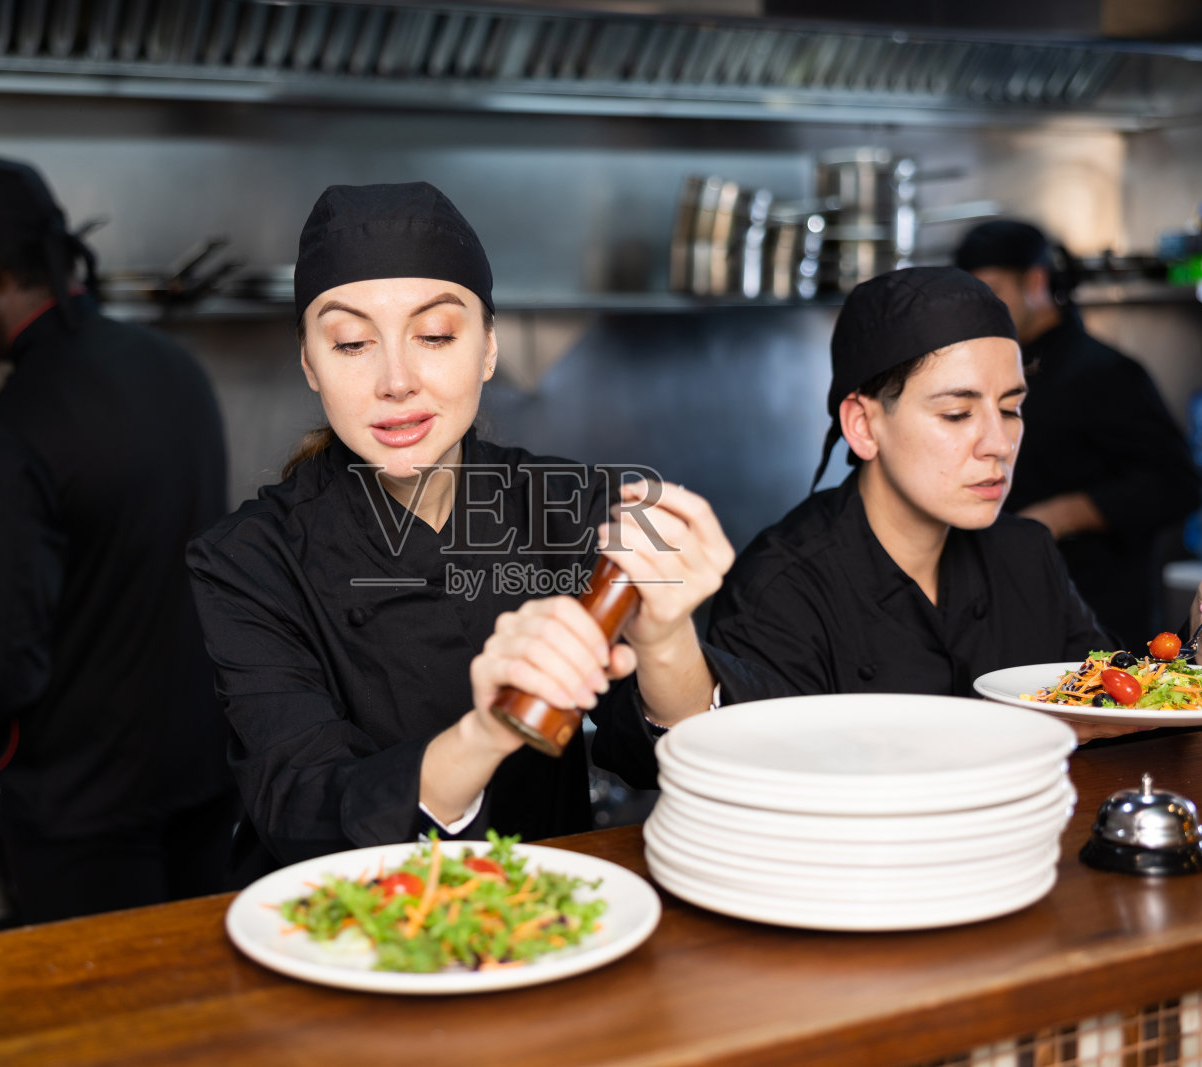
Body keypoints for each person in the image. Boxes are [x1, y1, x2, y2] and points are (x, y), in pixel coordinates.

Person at [187, 182, 771, 881]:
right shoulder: (248, 558)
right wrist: (486, 732)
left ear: (488, 349)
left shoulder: (569, 508)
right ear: (310, 363)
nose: (396, 380)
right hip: (345, 940)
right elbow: (302, 808)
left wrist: (668, 637)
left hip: (541, 922)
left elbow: (657, 759)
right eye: (350, 343)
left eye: (435, 335)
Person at [706, 266, 1202, 741]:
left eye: (1010, 407)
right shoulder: (783, 585)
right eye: (957, 414)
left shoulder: (1022, 551)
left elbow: (1115, 711)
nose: (999, 443)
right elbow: (740, 767)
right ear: (863, 425)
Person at [0, 156, 236, 923]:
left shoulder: (5, 432)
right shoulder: (176, 371)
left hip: (87, 828)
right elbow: (142, 553)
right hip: (209, 791)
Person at [955, 220, 1202, 648]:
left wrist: (1056, 516)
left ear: (1035, 281)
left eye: (992, 290)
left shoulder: (1105, 372)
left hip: (1098, 610)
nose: (981, 307)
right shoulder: (986, 367)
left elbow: (1176, 485)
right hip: (1003, 601)